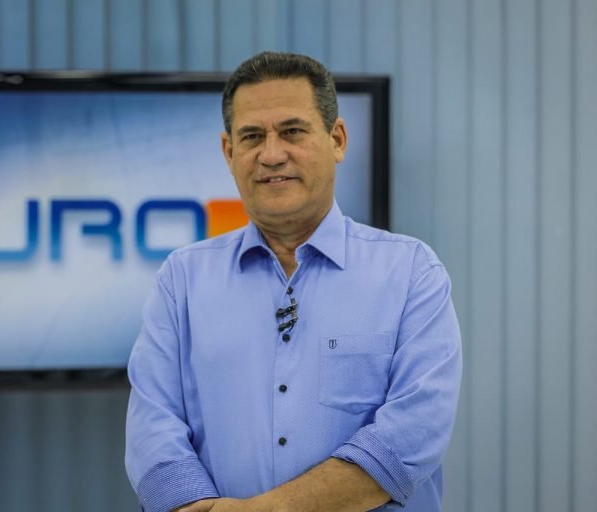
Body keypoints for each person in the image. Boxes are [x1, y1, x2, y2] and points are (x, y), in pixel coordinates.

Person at [125, 52, 461, 512]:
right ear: (229, 152)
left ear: (337, 140)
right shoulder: (181, 280)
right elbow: (153, 434)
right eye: (251, 137)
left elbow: (410, 439)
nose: (271, 154)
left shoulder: (411, 274)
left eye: (292, 131)